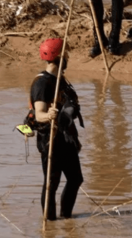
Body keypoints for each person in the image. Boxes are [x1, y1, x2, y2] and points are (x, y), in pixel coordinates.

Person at [30, 38, 84, 220]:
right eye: (66, 53)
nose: (68, 56)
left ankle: (66, 218)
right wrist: (49, 115)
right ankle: (50, 223)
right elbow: (39, 114)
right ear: (59, 56)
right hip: (51, 140)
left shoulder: (60, 79)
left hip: (66, 138)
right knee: (51, 183)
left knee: (76, 179)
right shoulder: (42, 84)